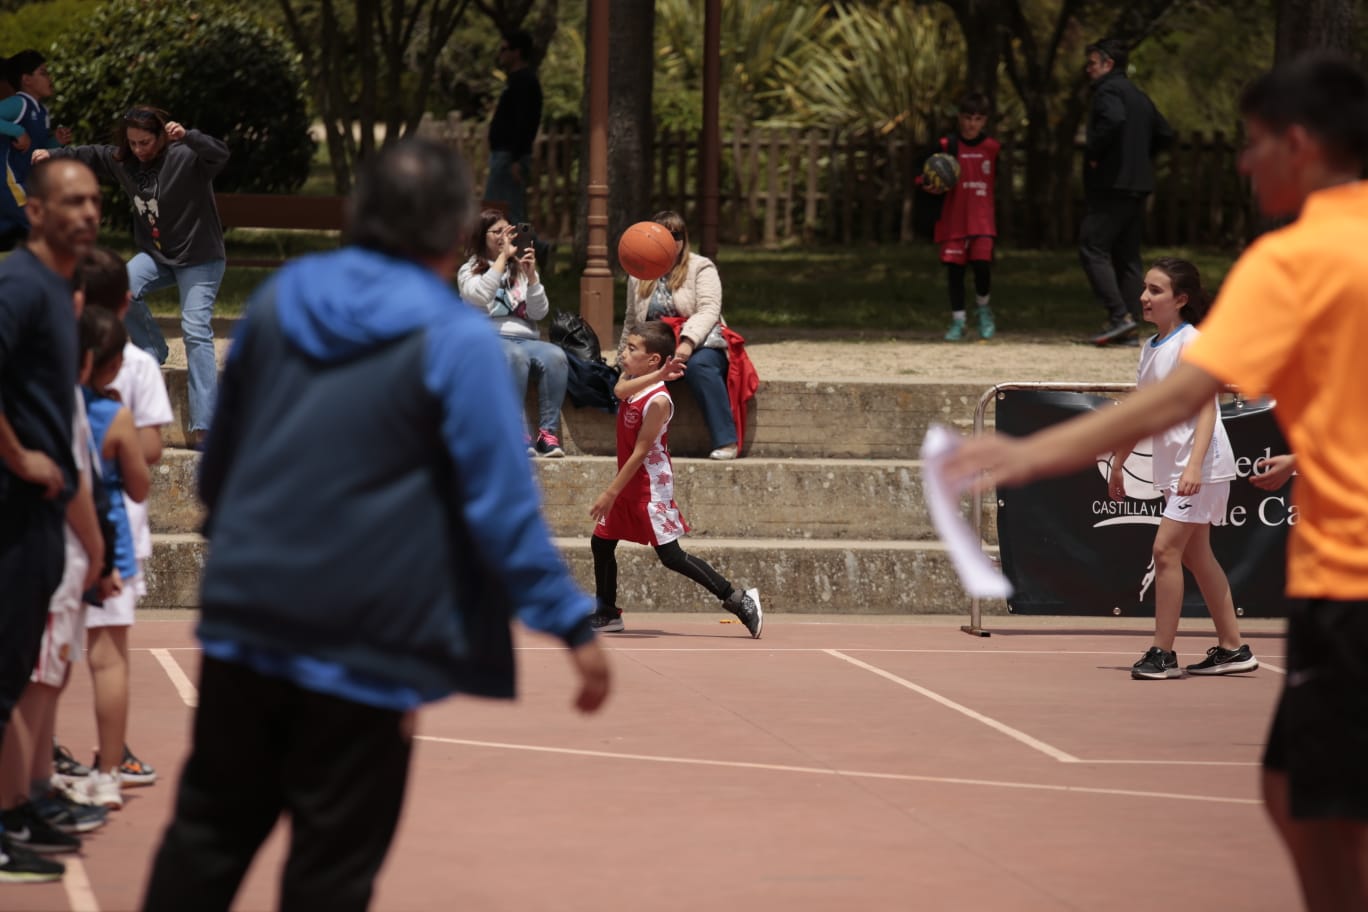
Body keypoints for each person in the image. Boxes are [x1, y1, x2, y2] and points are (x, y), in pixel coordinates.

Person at [945, 53, 1368, 912]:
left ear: (1299, 143)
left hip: (1350, 579)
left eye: (1253, 146)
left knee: (1308, 796)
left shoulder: (1294, 260)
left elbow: (1181, 399)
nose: (1244, 164)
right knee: (1299, 791)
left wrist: (1031, 455)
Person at [140, 138, 609, 912]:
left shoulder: (284, 302)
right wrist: (571, 625)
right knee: (331, 870)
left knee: (207, 838)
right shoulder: (456, 343)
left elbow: (224, 459)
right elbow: (498, 506)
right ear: (455, 230)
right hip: (367, 643)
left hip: (249, 617)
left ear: (361, 214)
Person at [0, 156, 102, 882]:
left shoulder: (59, 285)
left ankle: (14, 810)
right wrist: (20, 458)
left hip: (39, 514)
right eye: (71, 202)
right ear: (35, 211)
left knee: (13, 670)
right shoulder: (17, 283)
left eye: (94, 200)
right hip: (10, 509)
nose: (88, 212)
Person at [37, 105, 230, 444]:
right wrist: (53, 154)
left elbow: (219, 154)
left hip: (200, 258)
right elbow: (91, 155)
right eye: (134, 143)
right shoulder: (124, 161)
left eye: (146, 142)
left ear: (160, 136)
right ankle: (153, 351)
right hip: (158, 256)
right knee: (120, 288)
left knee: (195, 329)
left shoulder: (186, 157)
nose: (140, 150)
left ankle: (205, 424)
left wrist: (190, 136)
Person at [1107, 257, 1256, 680]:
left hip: (1201, 466)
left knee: (1165, 551)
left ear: (1181, 299)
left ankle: (1162, 653)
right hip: (1177, 467)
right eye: (1145, 289)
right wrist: (1119, 463)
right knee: (1196, 556)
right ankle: (1233, 647)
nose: (1144, 298)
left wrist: (1193, 467)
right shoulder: (1151, 347)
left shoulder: (1194, 342)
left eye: (1155, 291)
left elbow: (1207, 408)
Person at [58, 246, 172, 796]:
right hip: (115, 527)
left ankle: (44, 754)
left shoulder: (50, 356)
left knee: (50, 650)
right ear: (127, 303)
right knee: (108, 655)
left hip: (55, 517)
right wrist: (117, 441)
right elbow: (147, 455)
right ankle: (111, 761)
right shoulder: (138, 365)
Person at [589, 321, 763, 638]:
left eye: (631, 348)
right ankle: (607, 612)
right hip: (629, 483)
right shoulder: (633, 379)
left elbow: (641, 452)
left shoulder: (658, 400)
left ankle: (739, 600)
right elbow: (617, 391)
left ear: (653, 359)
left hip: (649, 487)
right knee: (601, 542)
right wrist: (657, 374)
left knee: (671, 557)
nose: (623, 353)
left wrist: (609, 493)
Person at [622, 210, 752, 461]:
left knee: (699, 367)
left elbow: (709, 310)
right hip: (656, 345)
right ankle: (636, 445)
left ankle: (726, 440)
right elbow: (632, 320)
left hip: (701, 343)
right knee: (632, 376)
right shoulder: (638, 272)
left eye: (676, 235)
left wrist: (687, 343)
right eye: (663, 234)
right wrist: (624, 357)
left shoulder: (701, 267)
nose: (671, 240)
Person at [1079, 38, 1173, 347]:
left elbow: (1113, 120)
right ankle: (1131, 324)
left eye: (1092, 63)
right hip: (1138, 185)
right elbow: (1165, 133)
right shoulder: (1139, 96)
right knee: (1127, 256)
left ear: (1108, 64)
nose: (1088, 69)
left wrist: (1095, 152)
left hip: (1112, 184)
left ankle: (1120, 316)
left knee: (1093, 246)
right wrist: (1140, 158)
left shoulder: (1108, 92)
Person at [457, 209, 568, 457]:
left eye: (508, 231)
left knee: (556, 356)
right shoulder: (469, 269)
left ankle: (547, 435)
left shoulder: (521, 268)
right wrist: (500, 261)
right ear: (481, 236)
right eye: (497, 231)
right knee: (514, 356)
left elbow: (539, 313)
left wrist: (532, 277)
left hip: (526, 337)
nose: (504, 237)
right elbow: (479, 296)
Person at [934, 92, 1001, 342]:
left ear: (984, 121)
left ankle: (983, 309)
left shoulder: (992, 148)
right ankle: (958, 321)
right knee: (955, 273)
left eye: (978, 118)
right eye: (967, 117)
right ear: (959, 118)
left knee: (982, 268)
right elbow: (925, 176)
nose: (971, 123)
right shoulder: (946, 146)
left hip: (982, 221)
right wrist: (929, 184)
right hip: (954, 221)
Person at [0, 51, 72, 251]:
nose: (50, 78)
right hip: (10, 185)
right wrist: (17, 131)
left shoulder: (40, 112)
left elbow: (35, 150)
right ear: (26, 80)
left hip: (23, 184)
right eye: (43, 72)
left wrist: (55, 142)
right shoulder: (19, 103)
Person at [485, 29, 542, 225]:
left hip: (509, 157)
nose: (500, 54)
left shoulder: (524, 82)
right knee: (504, 210)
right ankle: (535, 248)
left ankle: (536, 247)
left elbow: (525, 122)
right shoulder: (515, 81)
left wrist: (516, 159)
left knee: (502, 210)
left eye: (504, 49)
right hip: (504, 155)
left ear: (517, 52)